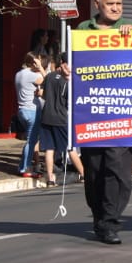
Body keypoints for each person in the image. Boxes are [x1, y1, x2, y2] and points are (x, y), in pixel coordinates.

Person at [77, 0, 132, 245]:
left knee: (117, 169)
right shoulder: (82, 30)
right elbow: (73, 63)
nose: (116, 8)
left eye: (119, 4)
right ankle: (99, 218)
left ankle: (110, 221)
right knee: (94, 171)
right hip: (92, 114)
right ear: (97, 4)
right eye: (111, 3)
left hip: (122, 113)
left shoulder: (130, 30)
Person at [39, 57, 84, 187]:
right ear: (64, 65)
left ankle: (50, 178)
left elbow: (42, 93)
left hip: (46, 117)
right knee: (70, 147)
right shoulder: (67, 82)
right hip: (61, 118)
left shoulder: (49, 76)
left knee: (49, 148)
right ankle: (84, 174)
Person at [15, 52, 46, 178]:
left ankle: (24, 165)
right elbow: (49, 80)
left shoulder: (19, 74)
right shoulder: (32, 75)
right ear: (33, 62)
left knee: (30, 140)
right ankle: (25, 167)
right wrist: (41, 68)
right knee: (31, 141)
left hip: (22, 109)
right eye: (38, 61)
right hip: (32, 111)